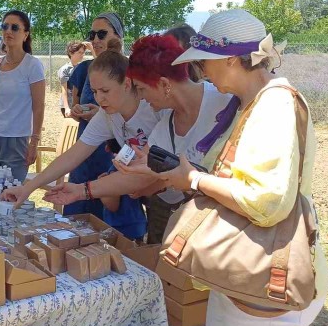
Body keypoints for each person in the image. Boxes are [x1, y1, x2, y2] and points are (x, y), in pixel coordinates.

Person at [127, 10, 328, 326]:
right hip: (245, 273)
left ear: (232, 60)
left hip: (263, 277)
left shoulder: (275, 104)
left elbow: (266, 201)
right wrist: (179, 172)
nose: (201, 70)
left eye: (204, 61)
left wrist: (193, 179)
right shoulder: (250, 103)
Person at [43, 34, 233, 244]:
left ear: (164, 84)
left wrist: (84, 190)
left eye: (141, 88)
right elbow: (142, 175)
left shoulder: (227, 103)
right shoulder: (167, 123)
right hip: (193, 217)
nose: (141, 96)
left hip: (229, 226)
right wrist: (83, 190)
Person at [3, 38, 159, 240]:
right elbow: (73, 155)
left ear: (127, 84)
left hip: (172, 189)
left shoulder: (154, 108)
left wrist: (83, 190)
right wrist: (28, 188)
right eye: (94, 92)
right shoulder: (107, 115)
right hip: (143, 184)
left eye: (105, 91)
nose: (99, 99)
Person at [64, 12, 125, 216]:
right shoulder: (83, 69)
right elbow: (74, 105)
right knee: (75, 219)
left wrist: (102, 114)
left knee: (109, 221)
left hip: (113, 157)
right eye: (92, 35)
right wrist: (77, 111)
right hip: (84, 154)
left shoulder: (128, 70)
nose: (96, 40)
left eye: (102, 34)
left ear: (118, 35)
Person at [0, 10, 45, 182]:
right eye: (5, 26)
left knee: (12, 192)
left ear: (25, 34)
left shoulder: (32, 65)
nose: (8, 31)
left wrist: (34, 142)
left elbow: (38, 107)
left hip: (16, 140)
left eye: (15, 27)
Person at [58, 41, 86, 117]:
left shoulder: (82, 67)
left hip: (79, 104)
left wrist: (92, 49)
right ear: (71, 53)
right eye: (79, 52)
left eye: (83, 53)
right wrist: (67, 108)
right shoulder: (65, 69)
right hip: (68, 105)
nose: (82, 55)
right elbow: (64, 90)